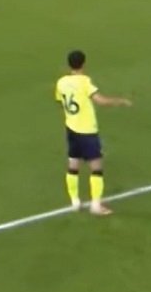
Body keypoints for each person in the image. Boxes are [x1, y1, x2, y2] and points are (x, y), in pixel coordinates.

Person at [54, 50, 133, 215]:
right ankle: (96, 206)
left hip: (71, 128)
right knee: (96, 168)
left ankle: (75, 201)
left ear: (69, 64)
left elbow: (60, 102)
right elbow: (100, 101)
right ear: (83, 64)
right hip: (87, 130)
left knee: (73, 164)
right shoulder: (84, 81)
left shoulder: (61, 82)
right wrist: (120, 101)